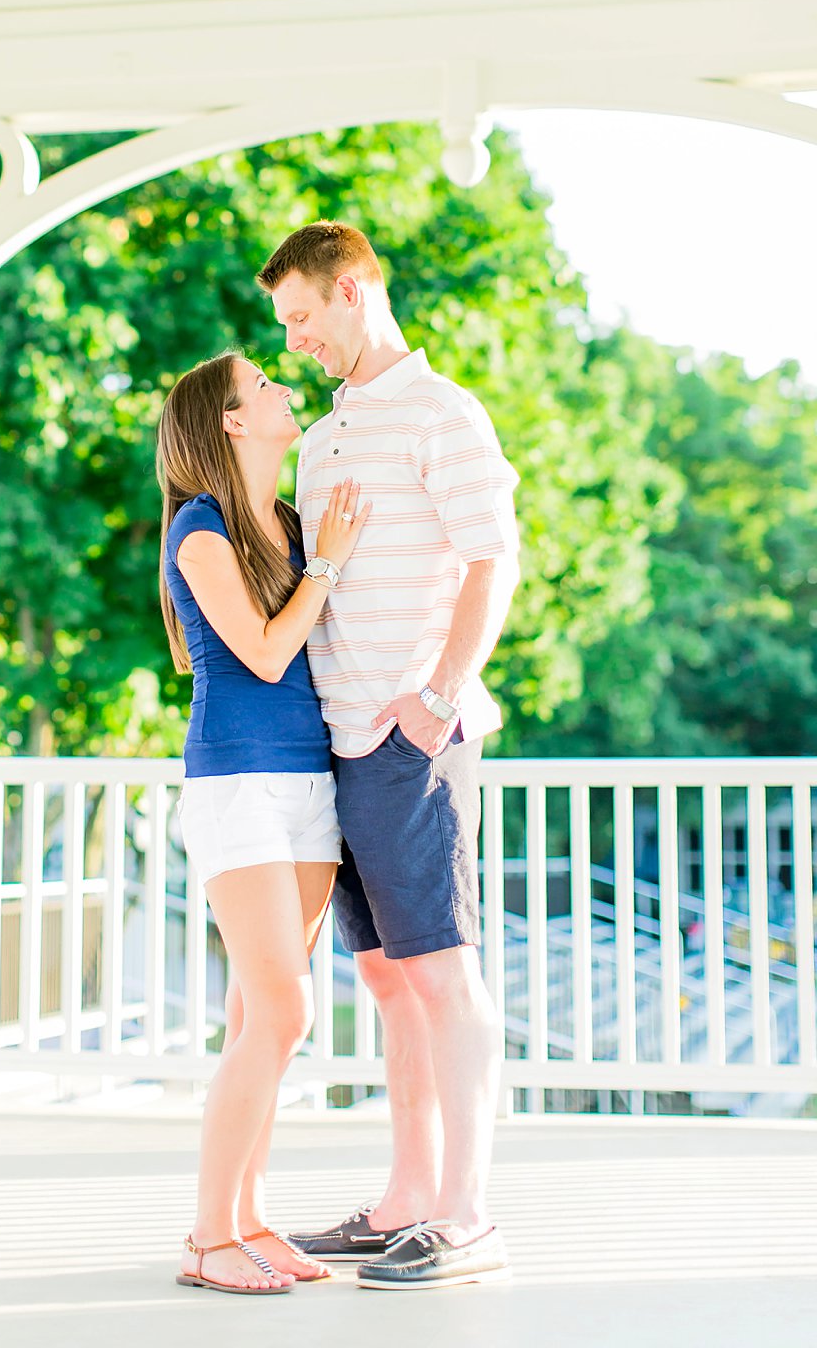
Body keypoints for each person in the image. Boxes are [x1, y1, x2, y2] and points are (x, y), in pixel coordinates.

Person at [261, 221, 520, 1290]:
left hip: (407, 742)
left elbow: (491, 557)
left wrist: (436, 697)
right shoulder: (323, 436)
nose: (295, 342)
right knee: (385, 982)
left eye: (304, 316)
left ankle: (463, 1219)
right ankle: (404, 1200)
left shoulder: (440, 413)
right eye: (283, 325)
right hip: (337, 745)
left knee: (441, 977)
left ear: (354, 288)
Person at [157, 351, 370, 1296]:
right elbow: (270, 654)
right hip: (237, 783)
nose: (286, 391)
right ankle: (207, 1239)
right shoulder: (199, 533)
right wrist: (326, 563)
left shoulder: (282, 523)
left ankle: (246, 1218)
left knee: (260, 1017)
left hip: (309, 786)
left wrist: (315, 551)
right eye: (266, 388)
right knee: (284, 1010)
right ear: (233, 423)